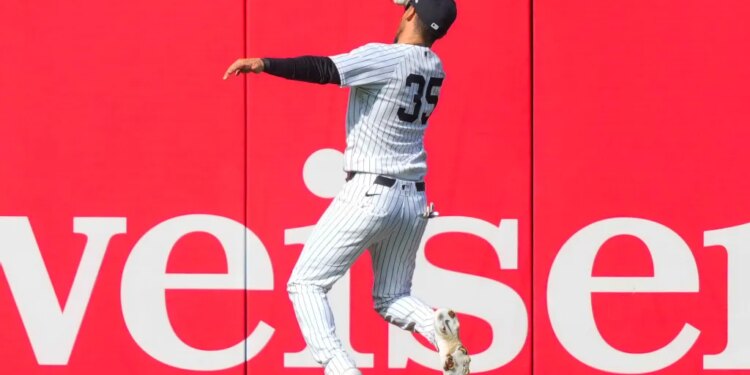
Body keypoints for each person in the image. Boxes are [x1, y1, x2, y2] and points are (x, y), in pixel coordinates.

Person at [224, 1, 465, 374]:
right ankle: (436, 328)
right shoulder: (436, 67)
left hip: (371, 191)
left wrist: (265, 64)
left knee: (305, 283)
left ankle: (341, 368)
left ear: (410, 13)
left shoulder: (387, 58)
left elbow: (324, 70)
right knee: (392, 297)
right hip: (414, 199)